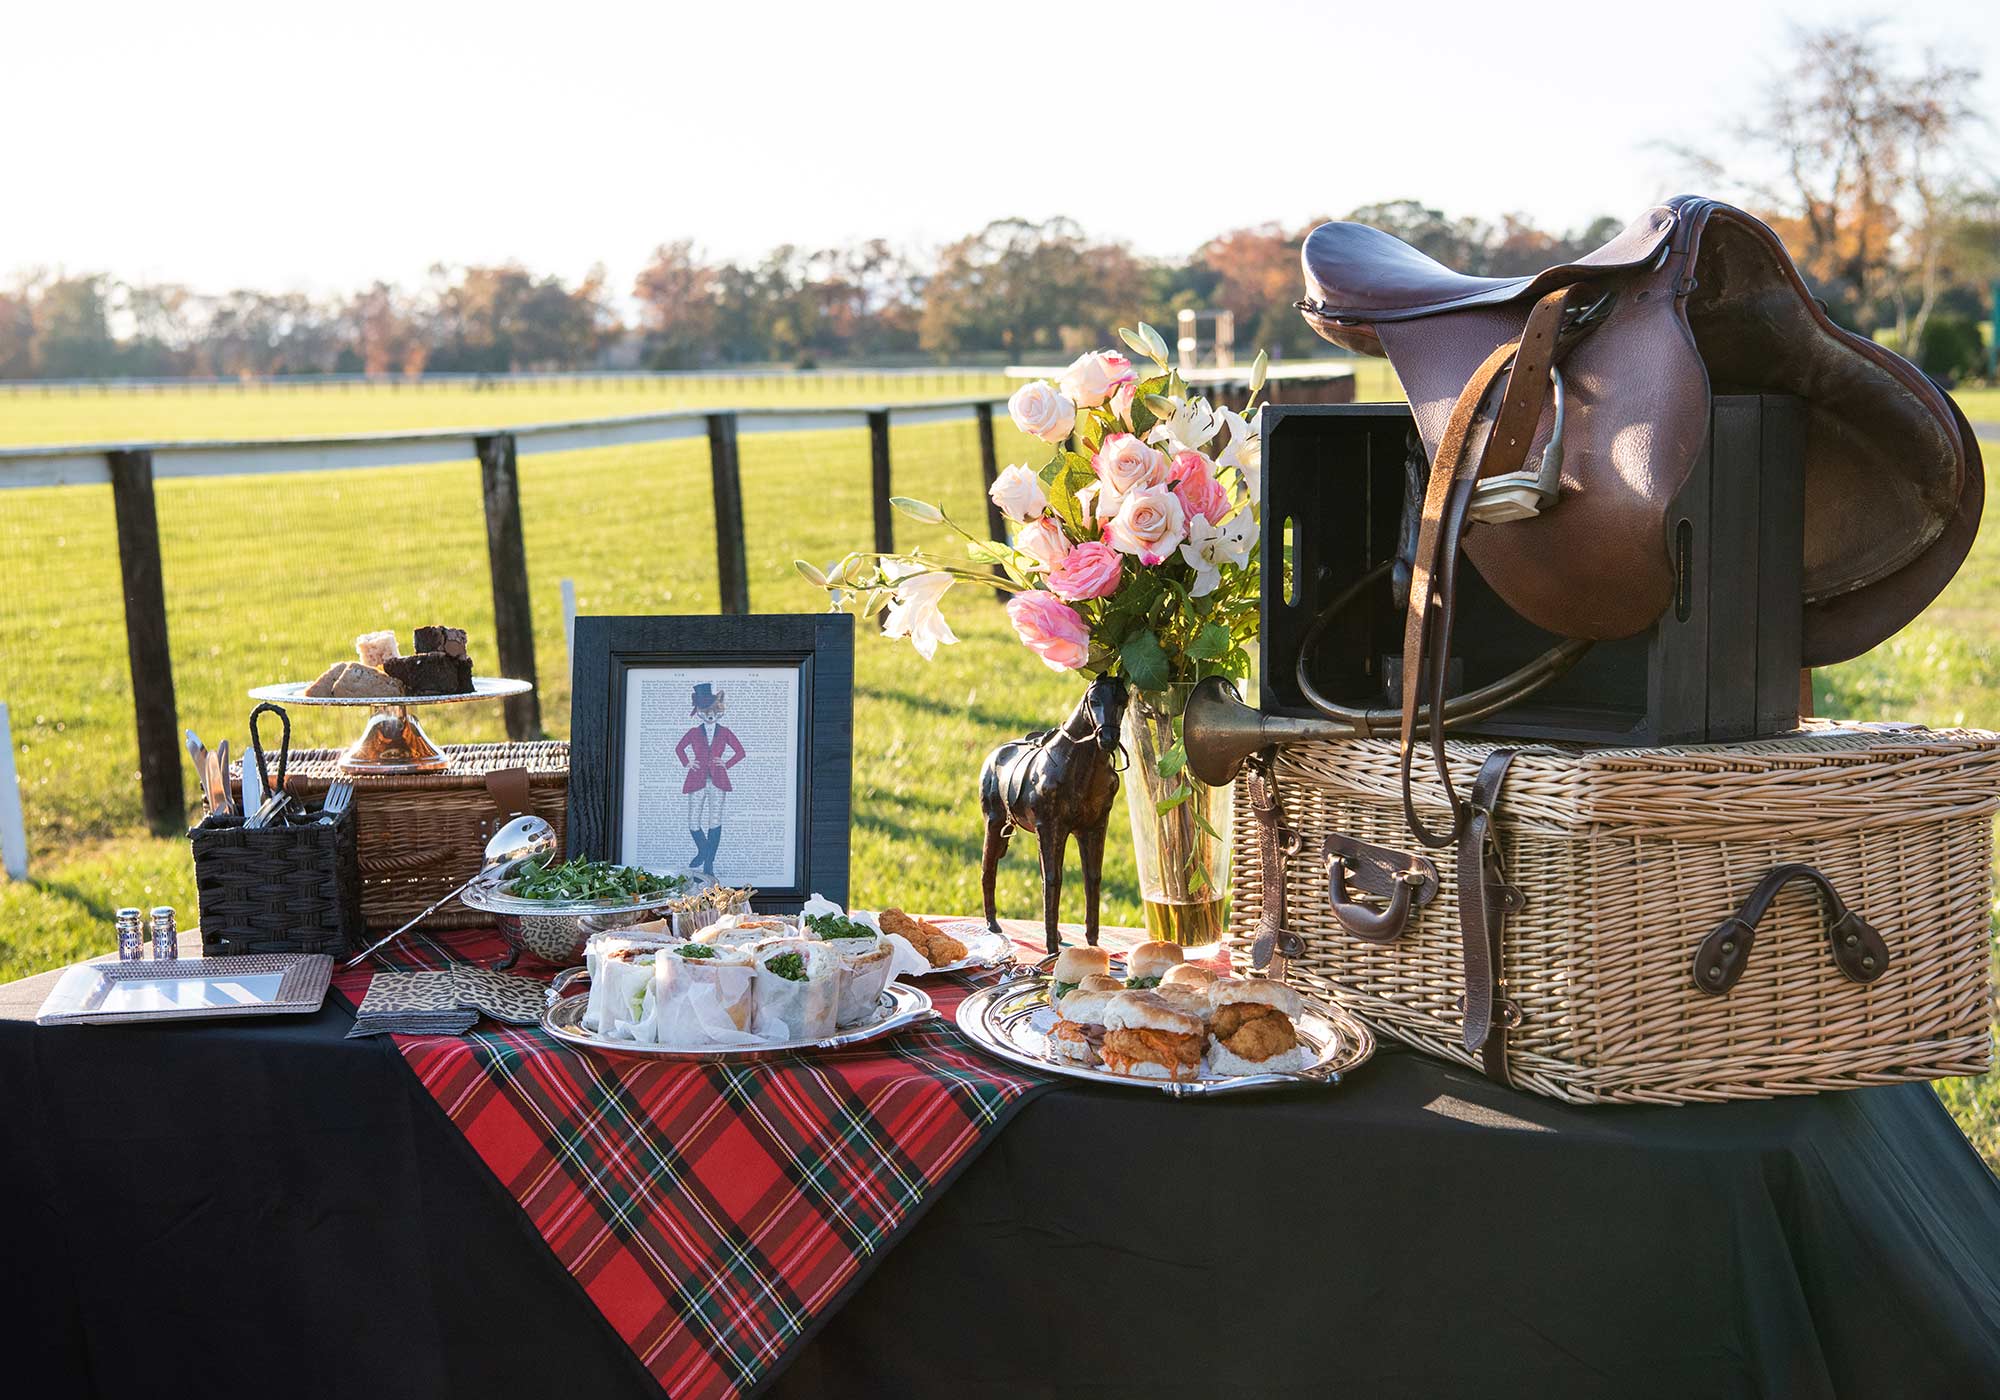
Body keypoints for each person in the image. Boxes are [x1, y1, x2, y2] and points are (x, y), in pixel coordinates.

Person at [676, 683, 744, 878]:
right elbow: (679, 749)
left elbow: (740, 752)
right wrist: (686, 762)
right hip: (696, 780)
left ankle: (708, 863)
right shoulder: (693, 732)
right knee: (693, 822)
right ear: (698, 711)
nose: (710, 715)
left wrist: (726, 764)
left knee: (714, 821)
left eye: (714, 710)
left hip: (718, 782)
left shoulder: (725, 732)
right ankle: (704, 851)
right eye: (706, 711)